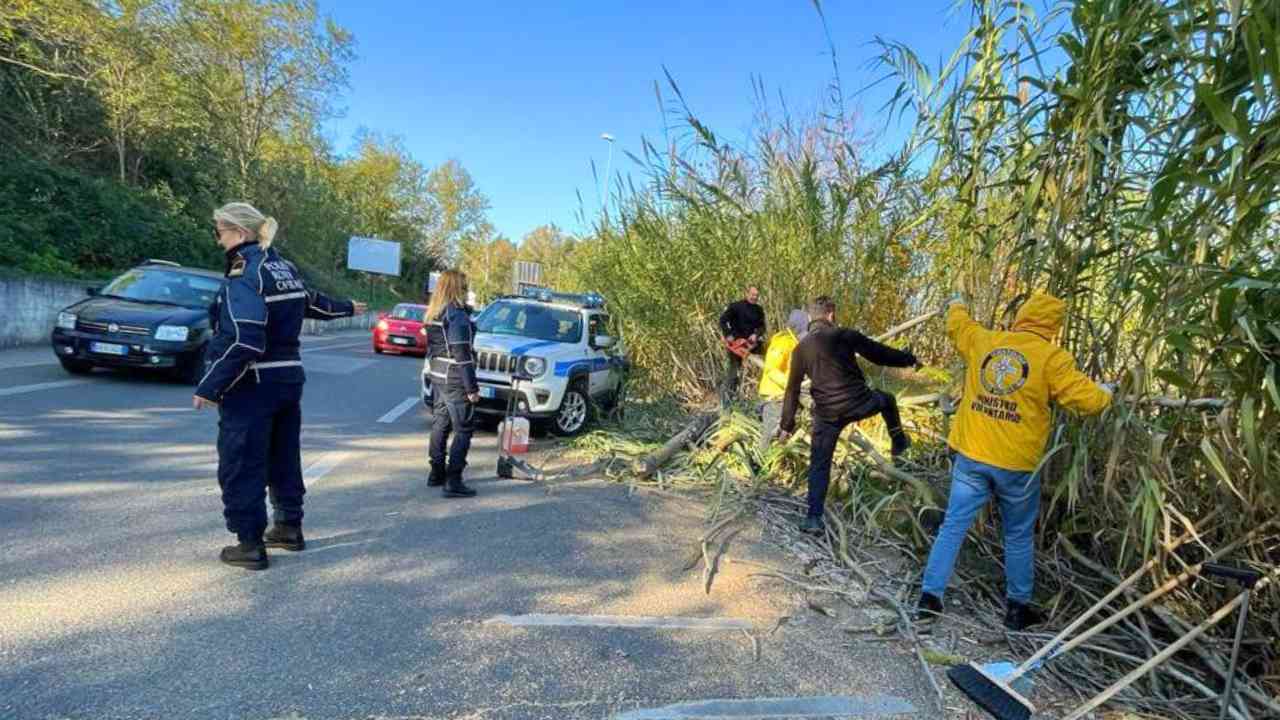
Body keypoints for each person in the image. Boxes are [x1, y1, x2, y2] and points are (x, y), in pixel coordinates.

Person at [915, 291, 1113, 630]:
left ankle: (929, 600)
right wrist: (1107, 391)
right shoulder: (1052, 357)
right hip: (1017, 466)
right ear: (1052, 326)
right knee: (1018, 535)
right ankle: (1017, 608)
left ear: (1022, 316)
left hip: (973, 454)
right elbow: (1089, 401)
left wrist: (959, 302)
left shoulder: (985, 340)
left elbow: (958, 324)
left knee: (953, 526)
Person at [194, 202, 366, 571]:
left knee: (242, 462)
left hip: (252, 383)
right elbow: (312, 302)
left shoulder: (246, 274)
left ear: (239, 234)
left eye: (220, 232)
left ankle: (249, 544)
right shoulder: (282, 266)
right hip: (288, 380)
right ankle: (288, 527)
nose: (218, 240)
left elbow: (245, 340)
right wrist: (348, 307)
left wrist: (210, 385)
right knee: (283, 456)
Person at [776, 296, 920, 534]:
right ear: (831, 314)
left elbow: (791, 389)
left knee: (819, 464)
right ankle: (898, 443)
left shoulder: (800, 349)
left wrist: (786, 426)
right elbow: (879, 354)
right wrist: (908, 359)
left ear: (811, 317)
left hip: (827, 414)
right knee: (887, 400)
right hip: (858, 402)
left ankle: (813, 518)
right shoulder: (844, 335)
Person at [424, 269, 480, 498]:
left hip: (437, 374)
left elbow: (433, 348)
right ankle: (453, 480)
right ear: (457, 287)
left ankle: (436, 473)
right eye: (464, 286)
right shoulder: (455, 314)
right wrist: (472, 388)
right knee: (464, 428)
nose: (467, 289)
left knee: (441, 423)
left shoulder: (433, 313)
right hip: (455, 376)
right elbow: (462, 353)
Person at [757, 308, 809, 455]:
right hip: (775, 397)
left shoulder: (795, 343)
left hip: (786, 396)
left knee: (787, 432)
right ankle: (760, 468)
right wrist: (791, 384)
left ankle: (780, 461)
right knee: (771, 433)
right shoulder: (783, 342)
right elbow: (771, 369)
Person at [718, 286, 767, 401]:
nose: (754, 297)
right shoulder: (735, 306)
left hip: (751, 344)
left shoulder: (759, 310)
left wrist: (756, 334)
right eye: (752, 294)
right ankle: (728, 399)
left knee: (769, 352)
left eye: (756, 295)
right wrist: (728, 335)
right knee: (734, 372)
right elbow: (722, 320)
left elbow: (762, 326)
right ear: (746, 293)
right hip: (736, 345)